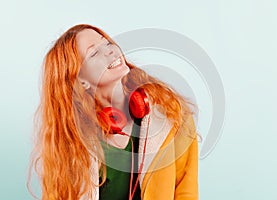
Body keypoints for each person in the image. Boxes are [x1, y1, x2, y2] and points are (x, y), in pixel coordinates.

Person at [28, 24, 199, 200]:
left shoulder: (171, 114)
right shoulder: (68, 145)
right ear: (82, 82)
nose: (110, 51)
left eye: (107, 43)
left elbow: (187, 192)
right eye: (94, 53)